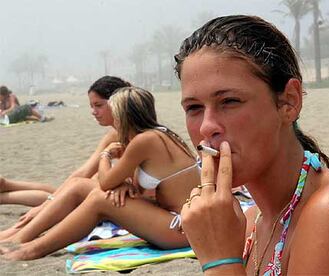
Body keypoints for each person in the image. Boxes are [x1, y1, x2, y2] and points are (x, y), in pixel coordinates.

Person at [174, 15, 329, 275]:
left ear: (289, 102)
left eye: (229, 101)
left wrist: (220, 261)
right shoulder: (252, 221)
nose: (207, 127)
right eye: (194, 108)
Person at [1, 86, 200, 260]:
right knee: (80, 186)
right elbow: (141, 187)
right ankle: (18, 239)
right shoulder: (159, 135)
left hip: (182, 228)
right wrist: (124, 184)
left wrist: (106, 155)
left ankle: (33, 250)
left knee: (100, 198)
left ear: (123, 115)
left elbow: (105, 183)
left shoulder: (145, 141)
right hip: (175, 218)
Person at [0, 76, 131, 242]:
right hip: (118, 196)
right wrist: (45, 205)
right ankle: (14, 221)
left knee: (69, 193)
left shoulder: (135, 133)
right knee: (63, 193)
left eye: (98, 105)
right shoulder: (113, 135)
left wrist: (126, 183)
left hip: (132, 204)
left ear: (117, 103)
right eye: (91, 106)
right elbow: (84, 171)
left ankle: (16, 232)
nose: (93, 112)